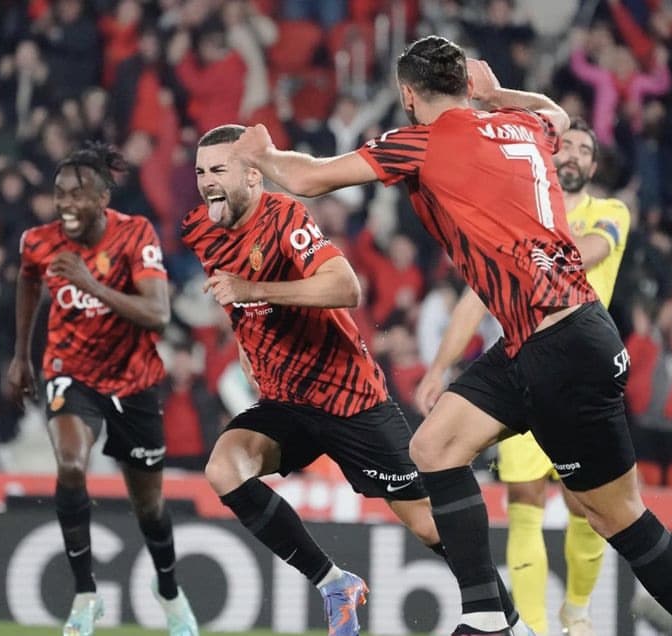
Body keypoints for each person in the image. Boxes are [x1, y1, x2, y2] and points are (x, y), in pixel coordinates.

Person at [230, 35, 672, 636]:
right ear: (468, 86)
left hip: (561, 346)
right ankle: (489, 619)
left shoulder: (419, 140)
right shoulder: (522, 125)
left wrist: (260, 152)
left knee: (617, 517)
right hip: (545, 340)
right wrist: (499, 94)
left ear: (407, 95)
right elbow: (552, 112)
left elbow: (308, 179)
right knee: (434, 448)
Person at [181, 124, 532, 636]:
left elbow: (345, 288)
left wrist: (252, 287)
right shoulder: (202, 229)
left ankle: (512, 625)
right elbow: (234, 298)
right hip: (285, 400)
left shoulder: (284, 217)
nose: (207, 181)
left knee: (430, 525)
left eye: (219, 170)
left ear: (254, 176)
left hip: (350, 400)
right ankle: (332, 583)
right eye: (200, 171)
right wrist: (245, 343)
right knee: (225, 468)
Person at [414, 119, 631, 635]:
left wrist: (530, 244)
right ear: (548, 159)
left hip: (583, 372)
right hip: (522, 367)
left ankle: (576, 611)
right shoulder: (523, 213)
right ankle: (531, 627)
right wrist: (439, 367)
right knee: (524, 498)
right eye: (566, 147)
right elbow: (474, 297)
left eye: (584, 149)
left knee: (589, 509)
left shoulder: (611, 212)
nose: (573, 155)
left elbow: (593, 252)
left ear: (594, 167)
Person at [7, 142, 198, 636]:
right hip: (70, 370)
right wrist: (20, 355)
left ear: (103, 196)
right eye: (59, 193)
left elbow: (157, 313)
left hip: (134, 381)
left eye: (78, 193)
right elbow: (28, 282)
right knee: (71, 463)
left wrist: (91, 284)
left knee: (149, 508)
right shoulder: (39, 241)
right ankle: (85, 595)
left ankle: (170, 592)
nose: (66, 203)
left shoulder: (135, 234)